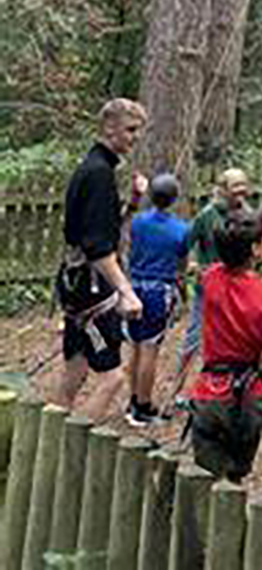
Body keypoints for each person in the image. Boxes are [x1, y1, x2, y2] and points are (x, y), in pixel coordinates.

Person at [187, 207, 262, 483]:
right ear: (255, 249)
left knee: (205, 481)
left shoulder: (209, 279)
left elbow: (231, 248)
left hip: (210, 393)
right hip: (248, 400)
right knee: (233, 482)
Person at [55, 98, 148, 418]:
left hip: (76, 283)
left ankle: (51, 436)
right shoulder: (98, 174)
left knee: (75, 370)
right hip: (91, 289)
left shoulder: (93, 167)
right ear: (109, 128)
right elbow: (98, 248)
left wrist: (132, 203)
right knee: (112, 379)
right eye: (130, 130)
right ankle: (72, 440)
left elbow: (102, 230)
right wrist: (127, 291)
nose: (135, 137)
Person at [176, 169, 252, 391]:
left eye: (244, 184)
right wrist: (189, 269)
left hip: (238, 286)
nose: (241, 190)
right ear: (223, 189)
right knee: (194, 336)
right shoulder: (207, 215)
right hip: (208, 287)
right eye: (235, 185)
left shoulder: (247, 213)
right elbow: (185, 245)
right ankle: (177, 389)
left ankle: (235, 386)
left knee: (236, 335)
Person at [123, 173, 190, 426]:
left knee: (136, 346)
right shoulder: (181, 230)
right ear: (174, 199)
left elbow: (130, 242)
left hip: (134, 288)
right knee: (150, 348)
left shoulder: (138, 222)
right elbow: (181, 265)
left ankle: (133, 399)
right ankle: (143, 406)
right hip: (158, 292)